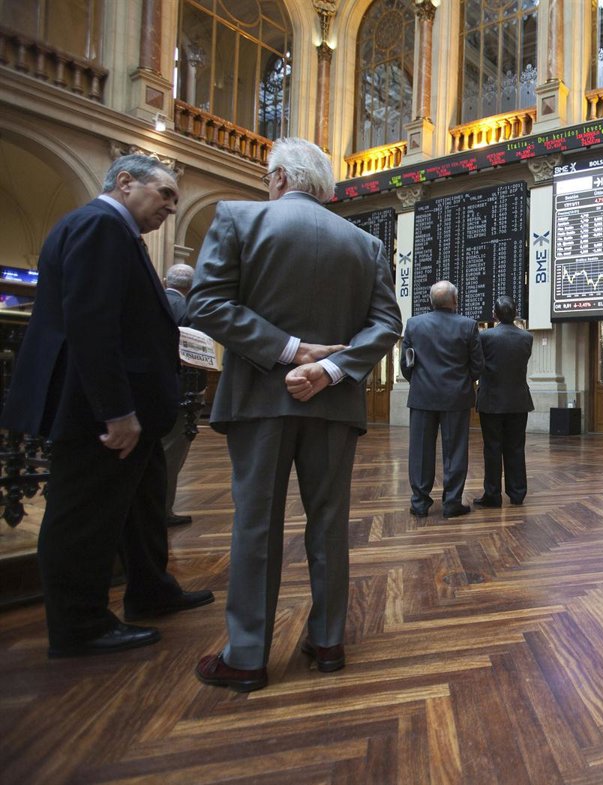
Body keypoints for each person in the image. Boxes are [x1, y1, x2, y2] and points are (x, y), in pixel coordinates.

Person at [188, 138, 403, 693]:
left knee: (256, 525)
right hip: (333, 407)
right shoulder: (365, 244)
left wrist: (289, 350)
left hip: (258, 400)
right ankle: (328, 641)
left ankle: (247, 657)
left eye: (268, 177)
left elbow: (206, 304)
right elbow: (387, 324)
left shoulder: (237, 218)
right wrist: (329, 370)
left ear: (280, 176)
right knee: (329, 523)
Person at [0, 154, 213, 658]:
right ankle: (81, 625)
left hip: (134, 408)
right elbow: (92, 324)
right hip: (98, 410)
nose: (171, 206)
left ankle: (151, 590)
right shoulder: (100, 226)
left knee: (142, 503)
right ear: (125, 182)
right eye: (165, 194)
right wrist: (116, 412)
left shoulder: (111, 230)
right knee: (84, 515)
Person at [401, 280, 482, 519]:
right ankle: (452, 503)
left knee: (420, 451)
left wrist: (419, 382)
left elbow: (406, 364)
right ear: (455, 301)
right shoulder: (468, 325)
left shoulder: (414, 324)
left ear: (430, 301)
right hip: (456, 398)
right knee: (455, 452)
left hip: (422, 397)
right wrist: (463, 382)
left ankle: (419, 503)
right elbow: (478, 366)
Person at [473, 296, 533, 508]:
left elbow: (479, 364)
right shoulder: (527, 337)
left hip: (491, 400)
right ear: (515, 314)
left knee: (492, 448)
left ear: (494, 315)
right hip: (518, 400)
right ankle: (517, 493)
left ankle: (493, 495)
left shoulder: (485, 336)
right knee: (516, 447)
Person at [161, 263, 202, 527]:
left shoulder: (153, 301)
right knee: (172, 454)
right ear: (192, 286)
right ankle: (163, 510)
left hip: (153, 388)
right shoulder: (190, 310)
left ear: (166, 281)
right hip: (184, 391)